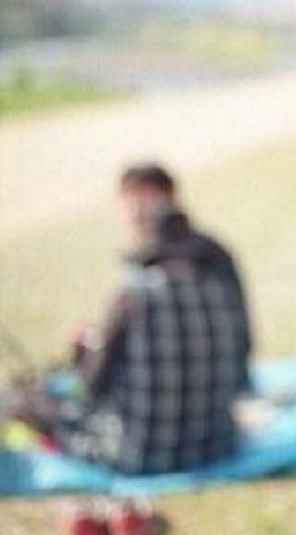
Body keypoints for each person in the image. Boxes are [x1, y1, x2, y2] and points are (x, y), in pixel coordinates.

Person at [19, 163, 254, 475]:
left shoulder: (133, 296)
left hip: (143, 452)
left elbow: (91, 389)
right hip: (220, 441)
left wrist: (89, 350)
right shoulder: (216, 271)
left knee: (25, 402)